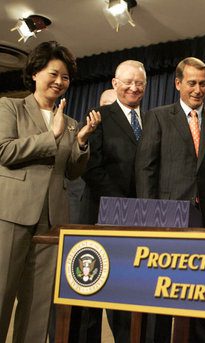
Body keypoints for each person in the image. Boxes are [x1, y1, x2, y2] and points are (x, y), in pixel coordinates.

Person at [0, 41, 100, 343]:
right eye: (53, 74)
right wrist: (51, 136)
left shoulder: (70, 123)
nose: (59, 82)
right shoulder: (10, 106)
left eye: (66, 77)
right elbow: (5, 151)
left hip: (52, 220)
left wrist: (81, 141)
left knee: (40, 303)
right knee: (2, 292)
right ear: (34, 73)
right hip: (12, 214)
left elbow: (72, 171)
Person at [135, 56, 205, 343]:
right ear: (178, 83)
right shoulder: (157, 116)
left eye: (203, 83)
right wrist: (147, 214)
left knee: (201, 288)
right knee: (163, 287)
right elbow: (146, 169)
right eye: (191, 82)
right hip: (166, 218)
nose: (198, 89)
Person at [76, 60, 146, 342]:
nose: (133, 87)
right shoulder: (99, 117)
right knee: (92, 293)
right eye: (127, 82)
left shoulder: (152, 120)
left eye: (139, 83)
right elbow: (91, 168)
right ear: (115, 84)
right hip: (101, 216)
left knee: (126, 295)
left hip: (139, 223)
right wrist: (122, 205)